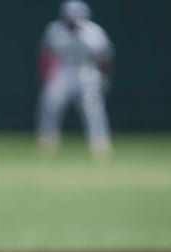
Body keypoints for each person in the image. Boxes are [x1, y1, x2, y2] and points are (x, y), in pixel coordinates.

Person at [35, 0, 114, 158]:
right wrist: (46, 75)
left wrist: (105, 78)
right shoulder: (55, 30)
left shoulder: (94, 33)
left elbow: (104, 58)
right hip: (64, 69)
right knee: (50, 102)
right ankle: (47, 141)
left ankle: (100, 143)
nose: (72, 21)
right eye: (69, 18)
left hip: (86, 70)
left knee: (93, 108)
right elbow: (47, 54)